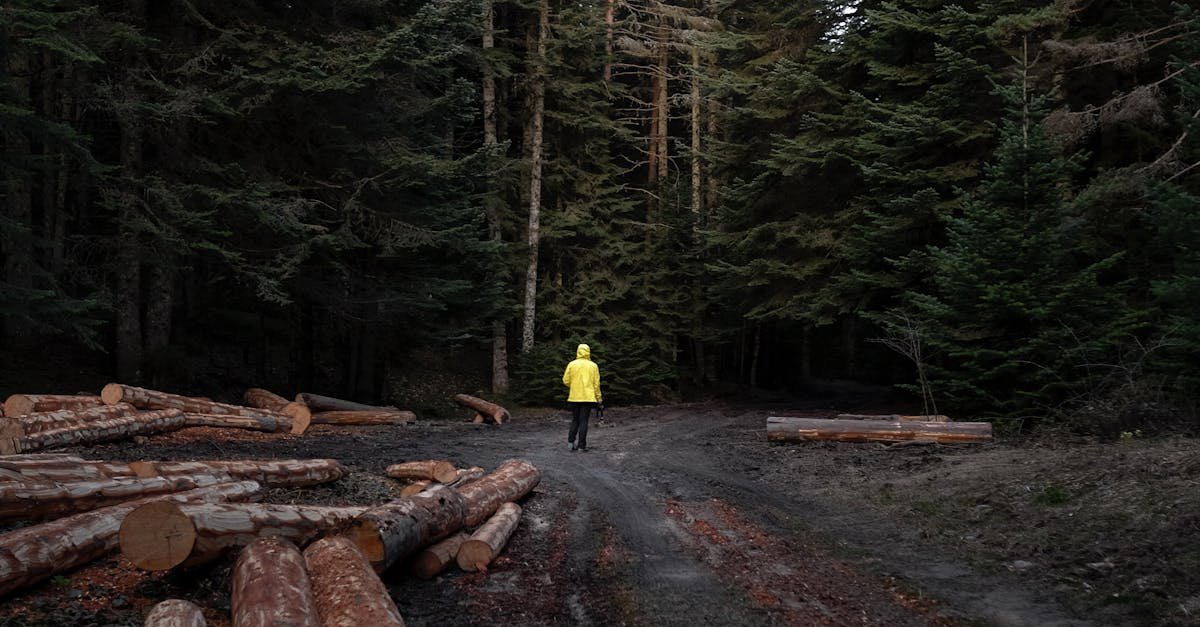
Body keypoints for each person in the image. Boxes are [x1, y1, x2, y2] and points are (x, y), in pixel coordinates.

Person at [562, 343, 602, 451]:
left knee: (575, 420)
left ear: (578, 351)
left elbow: (565, 380)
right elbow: (596, 384)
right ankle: (581, 446)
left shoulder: (572, 364)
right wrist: (599, 397)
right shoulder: (593, 366)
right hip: (588, 398)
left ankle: (570, 443)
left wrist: (574, 386)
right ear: (588, 352)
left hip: (574, 397)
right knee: (584, 421)